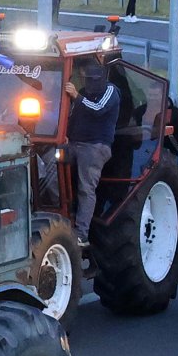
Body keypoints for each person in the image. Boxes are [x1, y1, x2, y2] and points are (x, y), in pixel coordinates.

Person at [63, 65, 120, 242]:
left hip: (95, 146)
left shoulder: (111, 91)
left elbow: (98, 109)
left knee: (86, 188)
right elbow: (72, 115)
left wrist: (76, 97)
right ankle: (63, 215)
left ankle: (81, 234)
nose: (87, 81)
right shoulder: (82, 92)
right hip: (74, 143)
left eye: (90, 78)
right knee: (50, 169)